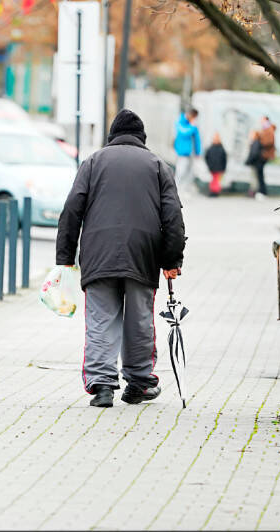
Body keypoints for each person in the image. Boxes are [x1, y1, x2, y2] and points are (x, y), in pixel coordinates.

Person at [56, 109, 186, 408]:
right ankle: (139, 384)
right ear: (142, 138)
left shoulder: (93, 162)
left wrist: (65, 257)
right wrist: (171, 261)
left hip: (98, 254)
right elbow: (173, 217)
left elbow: (72, 209)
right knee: (139, 320)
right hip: (143, 254)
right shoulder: (157, 165)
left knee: (101, 319)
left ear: (111, 136)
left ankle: (102, 386)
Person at [247, 115, 276, 199]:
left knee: (260, 174)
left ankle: (262, 191)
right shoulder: (264, 130)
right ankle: (260, 191)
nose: (261, 121)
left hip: (264, 155)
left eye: (263, 120)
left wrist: (259, 140)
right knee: (259, 174)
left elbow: (269, 142)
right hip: (262, 155)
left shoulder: (269, 130)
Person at [173, 108, 202, 191]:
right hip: (182, 152)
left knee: (190, 172)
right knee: (180, 171)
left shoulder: (193, 125)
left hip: (191, 153)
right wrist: (192, 126)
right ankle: (175, 189)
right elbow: (184, 133)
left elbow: (197, 139)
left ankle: (184, 189)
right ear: (190, 115)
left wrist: (198, 151)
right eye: (194, 117)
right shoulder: (180, 121)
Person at [204, 132, 227, 197]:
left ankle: (215, 191)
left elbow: (224, 159)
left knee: (216, 179)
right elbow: (206, 157)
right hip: (212, 167)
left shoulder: (222, 148)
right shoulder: (210, 148)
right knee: (213, 179)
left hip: (219, 167)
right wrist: (209, 164)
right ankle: (213, 191)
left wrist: (224, 168)